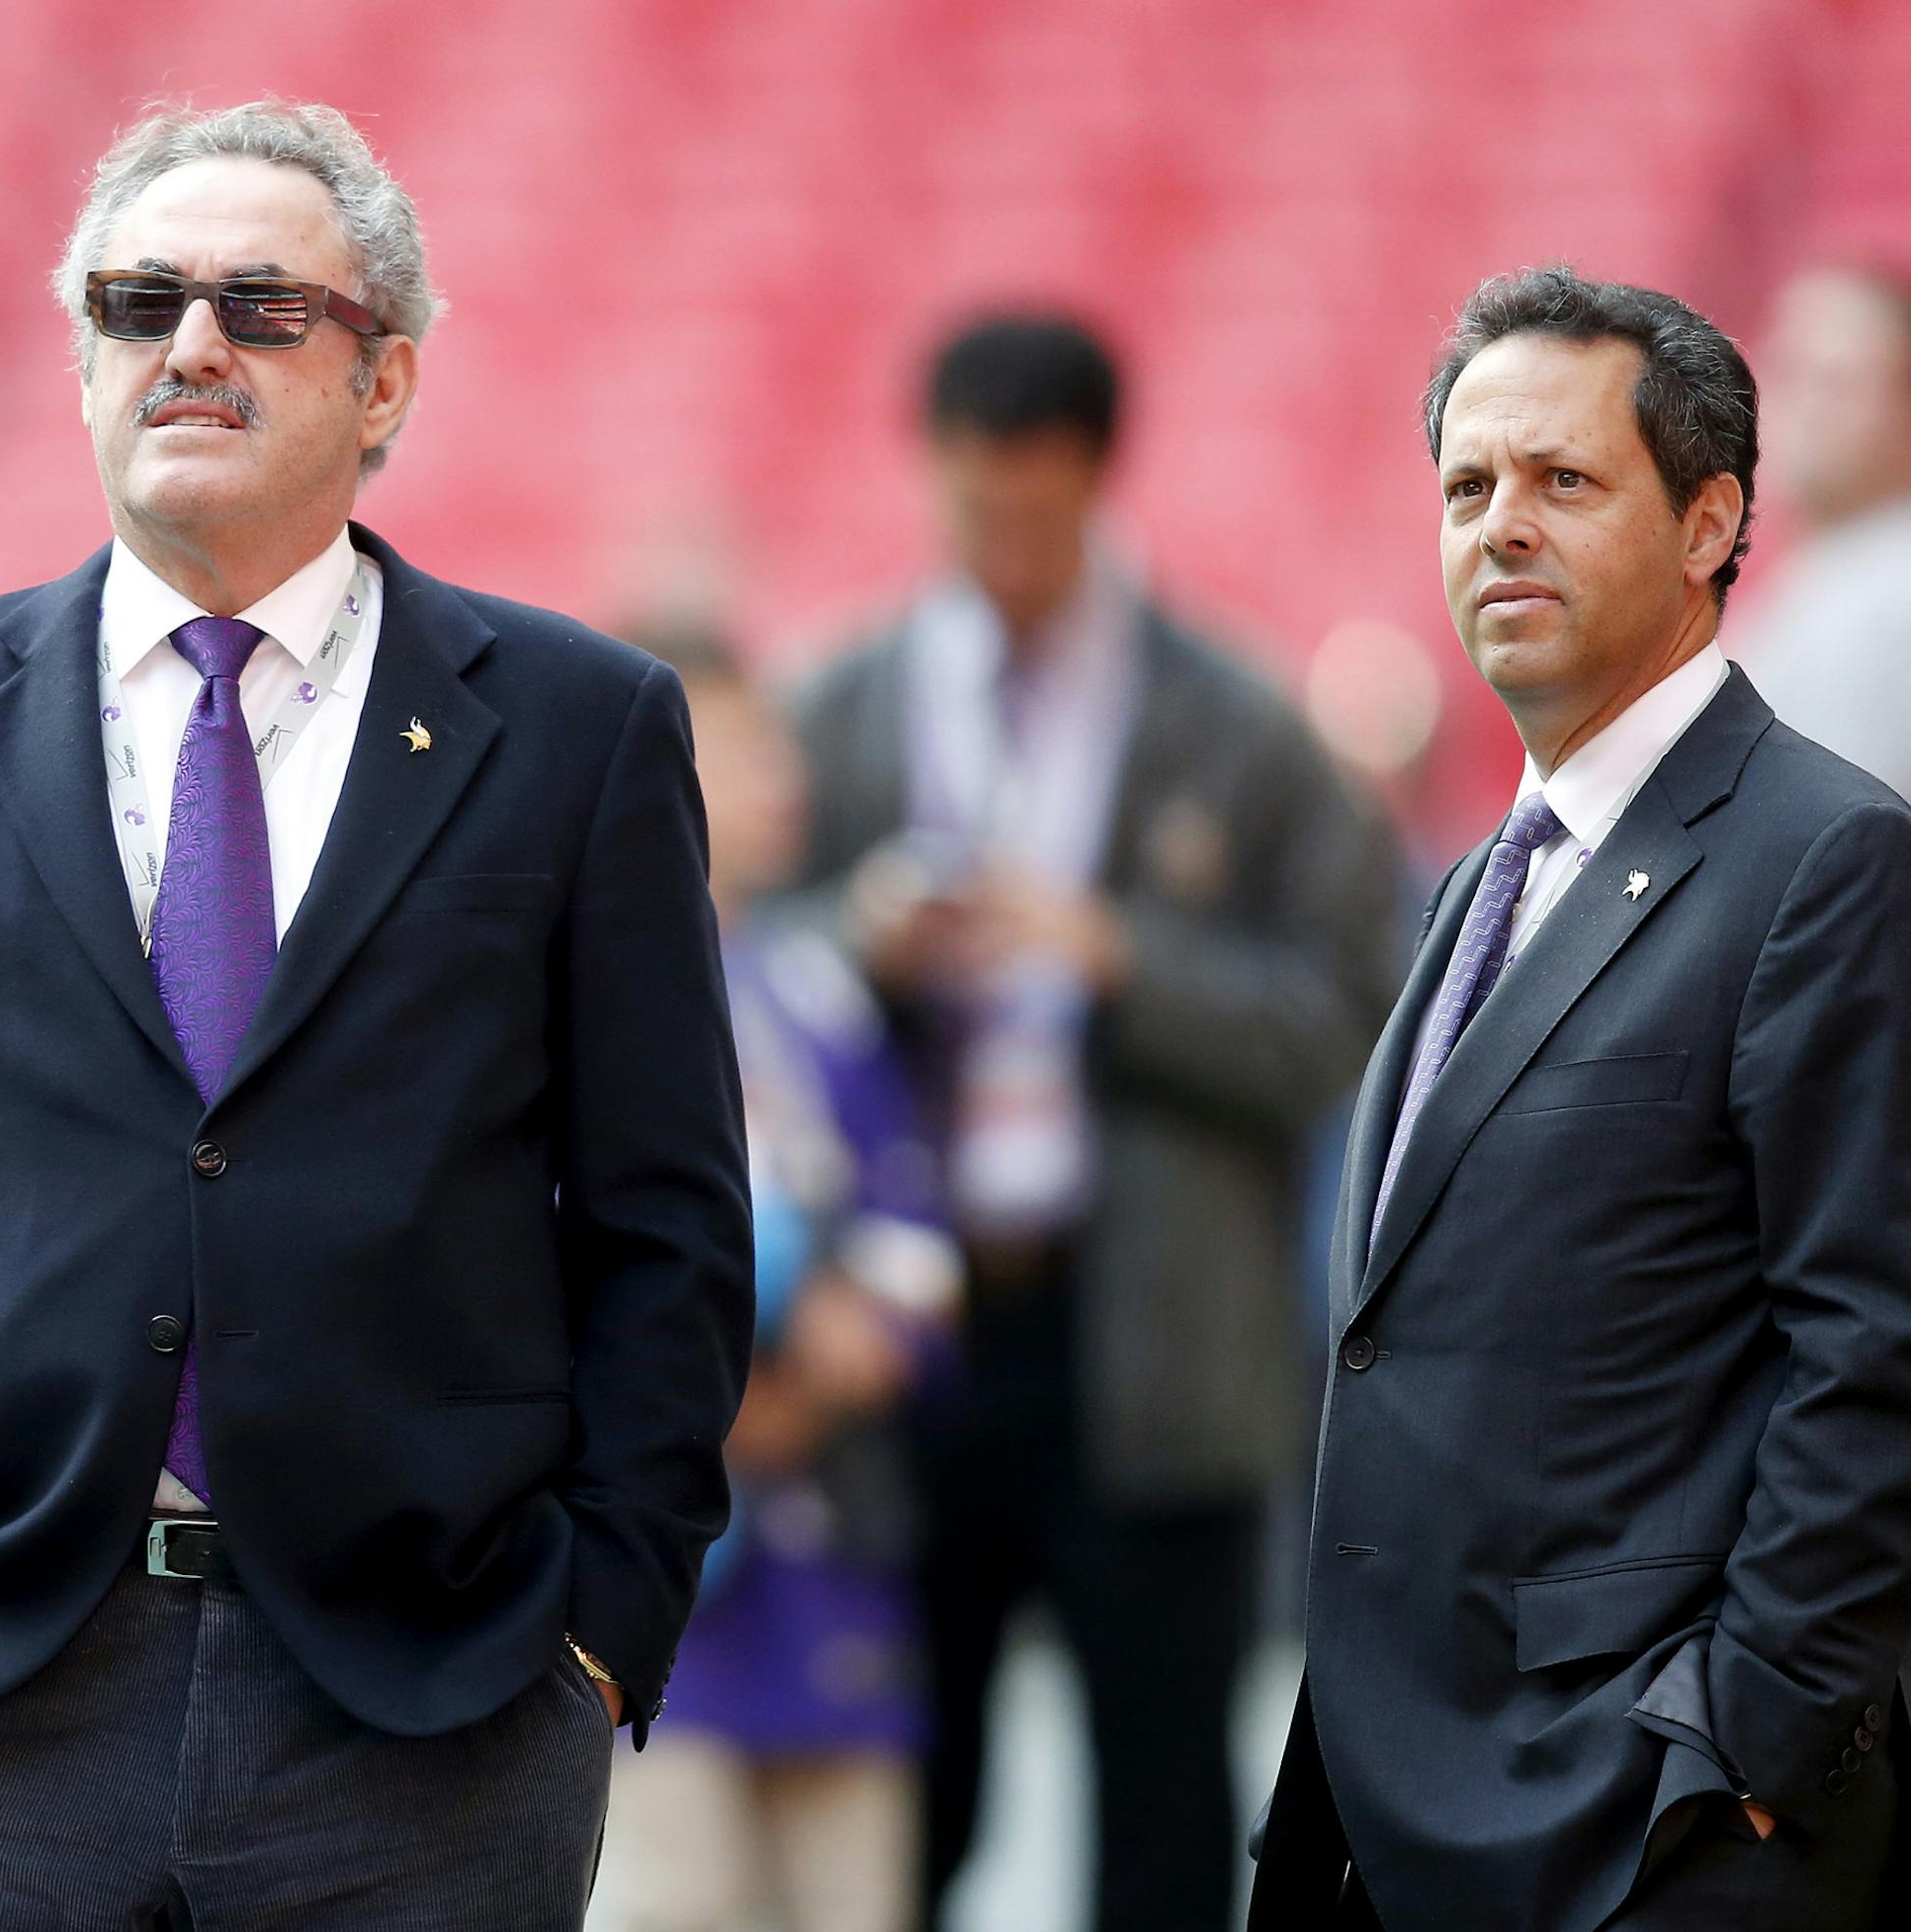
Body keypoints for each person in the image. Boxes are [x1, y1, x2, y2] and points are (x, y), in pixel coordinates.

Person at [0, 100, 751, 1931]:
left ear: (383, 383)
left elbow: (667, 1218)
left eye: (259, 307)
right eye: (138, 303)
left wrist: (600, 1624)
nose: (191, 346)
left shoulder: (578, 726)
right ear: (82, 368)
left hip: (429, 1702)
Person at [1249, 266, 1911, 1932]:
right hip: (1402, 1815)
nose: (1501, 526)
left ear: (1708, 524)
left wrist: (1745, 1741)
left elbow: (1876, 1344)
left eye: (1564, 480)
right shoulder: (1487, 876)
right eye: (1468, 487)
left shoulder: (1825, 857)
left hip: (1650, 1825)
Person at [790, 313, 1400, 1932]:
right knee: (904, 1792)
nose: (1004, 548)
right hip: (907, 1330)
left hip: (1150, 1331)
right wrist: (859, 938)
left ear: (1097, 481)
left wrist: (1122, 954)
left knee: (1162, 1798)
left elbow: (1352, 1012)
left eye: (1037, 514)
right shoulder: (843, 701)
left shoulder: (1240, 719)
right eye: (975, 509)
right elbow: (733, 969)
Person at [589, 626, 961, 1932]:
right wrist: (709, 1402)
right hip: (642, 1580)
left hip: (833, 1550)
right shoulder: (565, 989)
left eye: (775, 745)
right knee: (670, 1900)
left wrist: (872, 1332)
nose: (781, 779)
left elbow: (925, 1240)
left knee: (856, 1897)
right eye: (740, 749)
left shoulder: (817, 991)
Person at [1734, 261, 1911, 797]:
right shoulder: (1831, 566)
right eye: (1788, 371)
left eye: (1835, 382)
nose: (1801, 407)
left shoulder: (1888, 598)